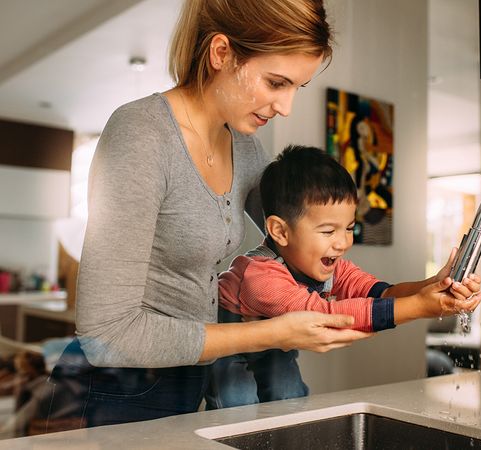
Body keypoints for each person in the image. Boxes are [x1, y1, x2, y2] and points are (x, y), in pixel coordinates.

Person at [39, 0, 372, 433]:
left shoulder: (247, 151)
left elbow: (303, 241)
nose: (285, 106)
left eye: (296, 88)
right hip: (108, 392)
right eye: (276, 82)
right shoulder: (141, 135)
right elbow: (107, 335)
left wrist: (415, 297)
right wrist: (274, 334)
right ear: (221, 53)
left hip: (186, 378)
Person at [204, 145, 481, 409]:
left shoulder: (330, 267)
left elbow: (381, 293)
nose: (342, 243)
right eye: (328, 231)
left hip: (277, 340)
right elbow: (323, 315)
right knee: (236, 403)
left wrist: (434, 284)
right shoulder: (260, 276)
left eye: (349, 228)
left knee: (289, 397)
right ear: (280, 231)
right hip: (230, 347)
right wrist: (420, 307)